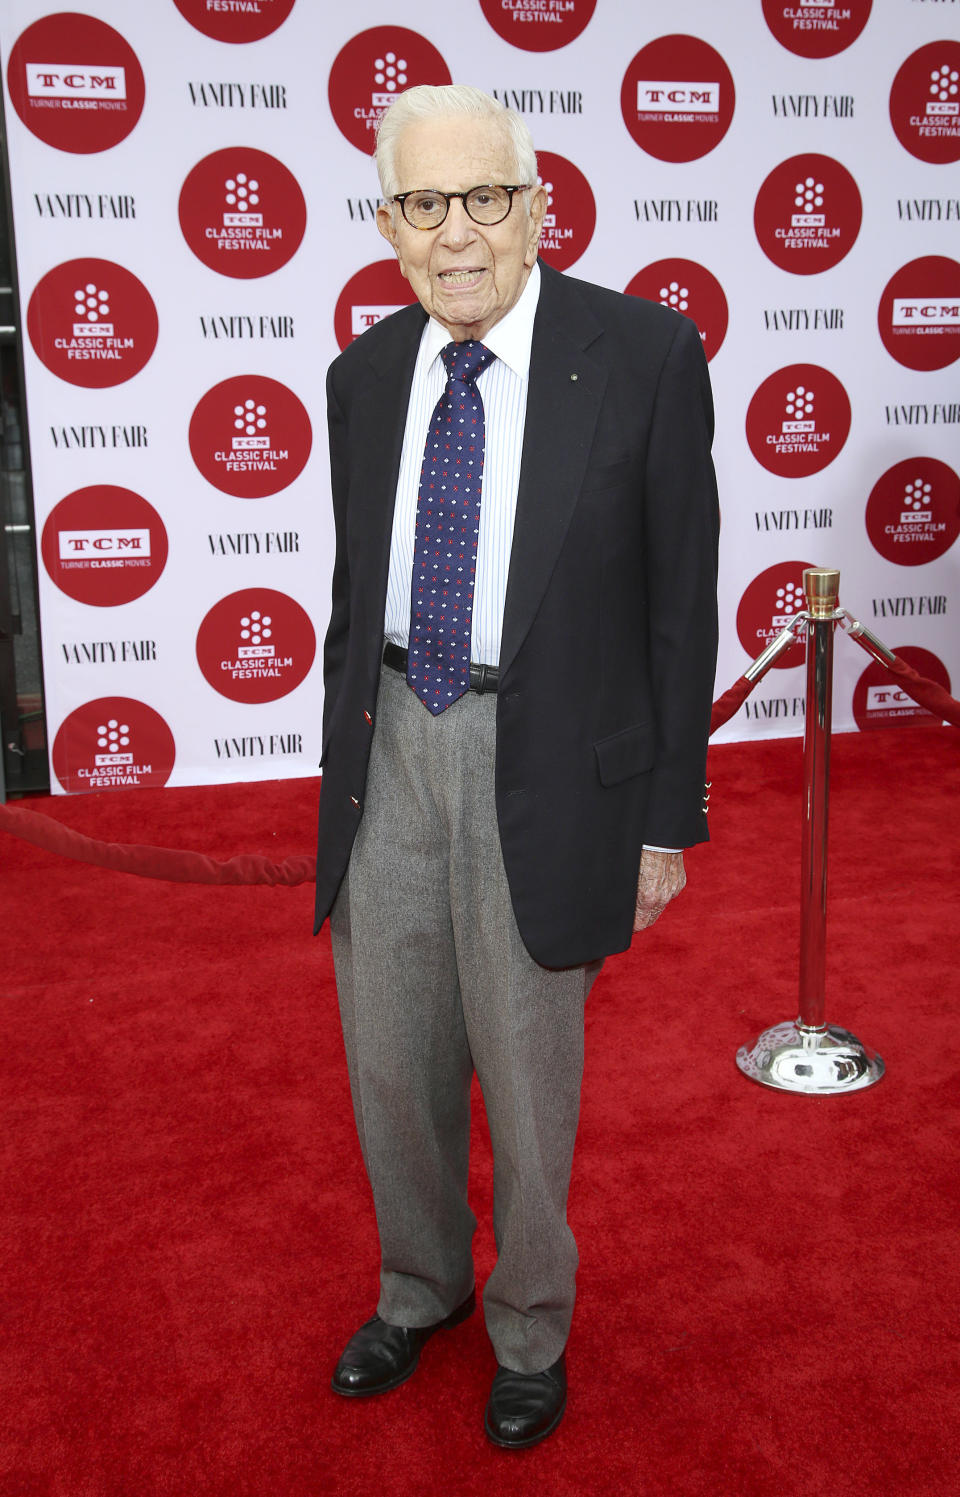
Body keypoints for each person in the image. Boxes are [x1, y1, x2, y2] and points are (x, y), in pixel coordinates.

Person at [314, 84, 719, 1449]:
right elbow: (348, 586)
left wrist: (668, 819)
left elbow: (681, 606)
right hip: (389, 744)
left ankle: (530, 1320)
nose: (460, 236)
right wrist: (337, 788)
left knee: (530, 1071)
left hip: (546, 760)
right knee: (390, 1058)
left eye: (486, 197)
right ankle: (419, 1284)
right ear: (389, 226)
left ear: (538, 203)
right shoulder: (362, 376)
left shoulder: (648, 355)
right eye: (425, 206)